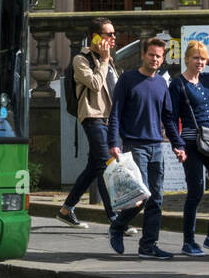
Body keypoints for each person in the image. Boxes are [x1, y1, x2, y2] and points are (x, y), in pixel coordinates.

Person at [107, 37, 187, 259]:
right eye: (151, 54)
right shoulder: (128, 79)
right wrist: (113, 142)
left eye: (159, 56)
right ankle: (118, 225)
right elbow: (115, 114)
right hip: (134, 145)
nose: (154, 59)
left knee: (157, 198)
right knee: (139, 196)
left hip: (156, 147)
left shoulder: (162, 83)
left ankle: (148, 245)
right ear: (143, 55)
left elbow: (168, 118)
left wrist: (178, 145)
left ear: (162, 59)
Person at [57, 18, 118, 227]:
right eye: (109, 34)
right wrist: (103, 60)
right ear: (96, 36)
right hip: (93, 117)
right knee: (105, 165)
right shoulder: (80, 60)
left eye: (113, 34)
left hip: (108, 119)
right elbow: (95, 83)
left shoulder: (107, 59)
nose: (113, 38)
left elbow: (113, 89)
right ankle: (115, 218)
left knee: (94, 166)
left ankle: (66, 209)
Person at [169, 39, 209, 255]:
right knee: (196, 191)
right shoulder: (177, 84)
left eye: (202, 58)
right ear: (186, 59)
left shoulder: (208, 79)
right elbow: (171, 118)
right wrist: (177, 145)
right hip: (191, 143)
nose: (199, 62)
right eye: (196, 58)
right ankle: (188, 241)